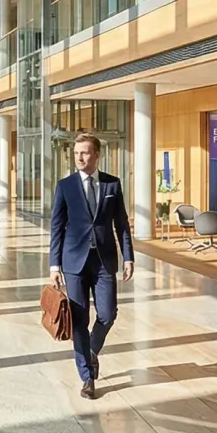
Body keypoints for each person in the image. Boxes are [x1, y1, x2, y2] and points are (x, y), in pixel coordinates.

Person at [49, 132, 134, 400]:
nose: (80, 157)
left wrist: (128, 257)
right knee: (79, 321)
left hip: (104, 261)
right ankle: (87, 377)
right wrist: (54, 265)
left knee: (108, 314)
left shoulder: (112, 184)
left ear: (97, 154)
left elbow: (121, 223)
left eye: (85, 152)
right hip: (74, 262)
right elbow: (57, 227)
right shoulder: (65, 186)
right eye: (76, 153)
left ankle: (92, 349)